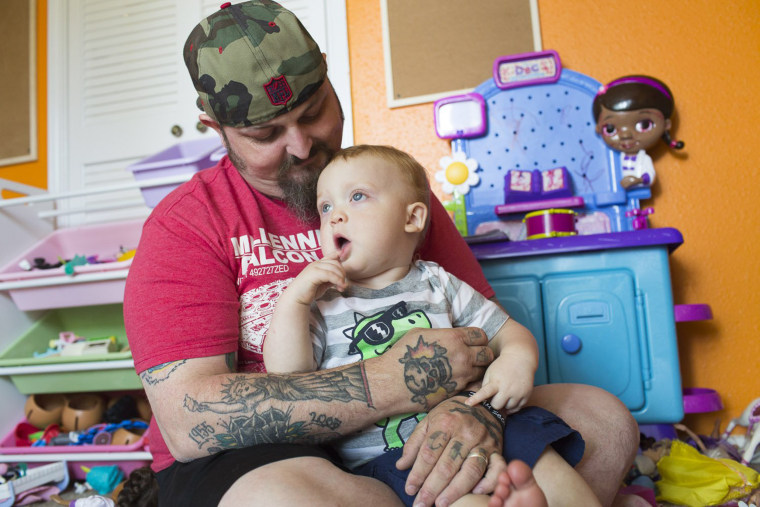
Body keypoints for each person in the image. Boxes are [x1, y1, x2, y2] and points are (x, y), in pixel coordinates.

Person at [123, 2, 640, 506]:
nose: (302, 146)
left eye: (314, 112)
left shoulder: (388, 191)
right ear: (217, 130)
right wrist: (394, 384)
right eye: (266, 134)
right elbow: (191, 418)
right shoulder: (187, 223)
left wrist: (478, 413)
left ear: (329, 77)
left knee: (604, 420)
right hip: (268, 455)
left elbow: (483, 335)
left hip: (429, 419)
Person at [264, 144, 600, 506]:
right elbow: (288, 374)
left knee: (554, 473)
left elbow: (508, 332)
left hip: (483, 426)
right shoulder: (323, 302)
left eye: (357, 197)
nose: (335, 217)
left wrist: (517, 360)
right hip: (398, 459)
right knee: (465, 500)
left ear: (413, 218)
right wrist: (294, 301)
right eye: (325, 207)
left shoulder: (438, 282)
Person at [593, 75, 685, 189]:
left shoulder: (643, 159)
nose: (626, 135)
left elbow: (650, 176)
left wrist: (637, 180)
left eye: (644, 125)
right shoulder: (611, 159)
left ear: (666, 125)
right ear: (598, 129)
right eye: (610, 129)